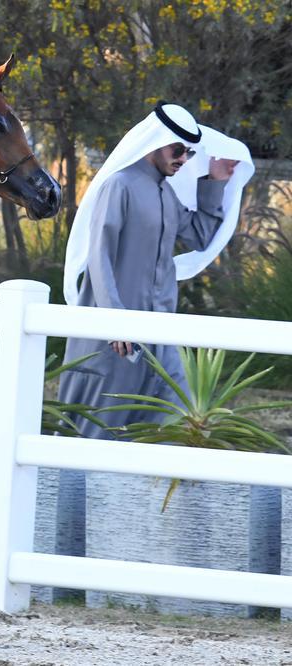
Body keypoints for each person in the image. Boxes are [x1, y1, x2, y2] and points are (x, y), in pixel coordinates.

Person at [59, 101, 253, 439]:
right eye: (178, 150)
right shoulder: (119, 186)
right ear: (155, 142)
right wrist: (115, 321)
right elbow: (99, 257)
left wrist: (215, 180)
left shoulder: (165, 193)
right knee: (96, 432)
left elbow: (199, 235)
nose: (183, 160)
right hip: (114, 340)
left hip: (159, 333)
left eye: (190, 154)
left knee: (180, 418)